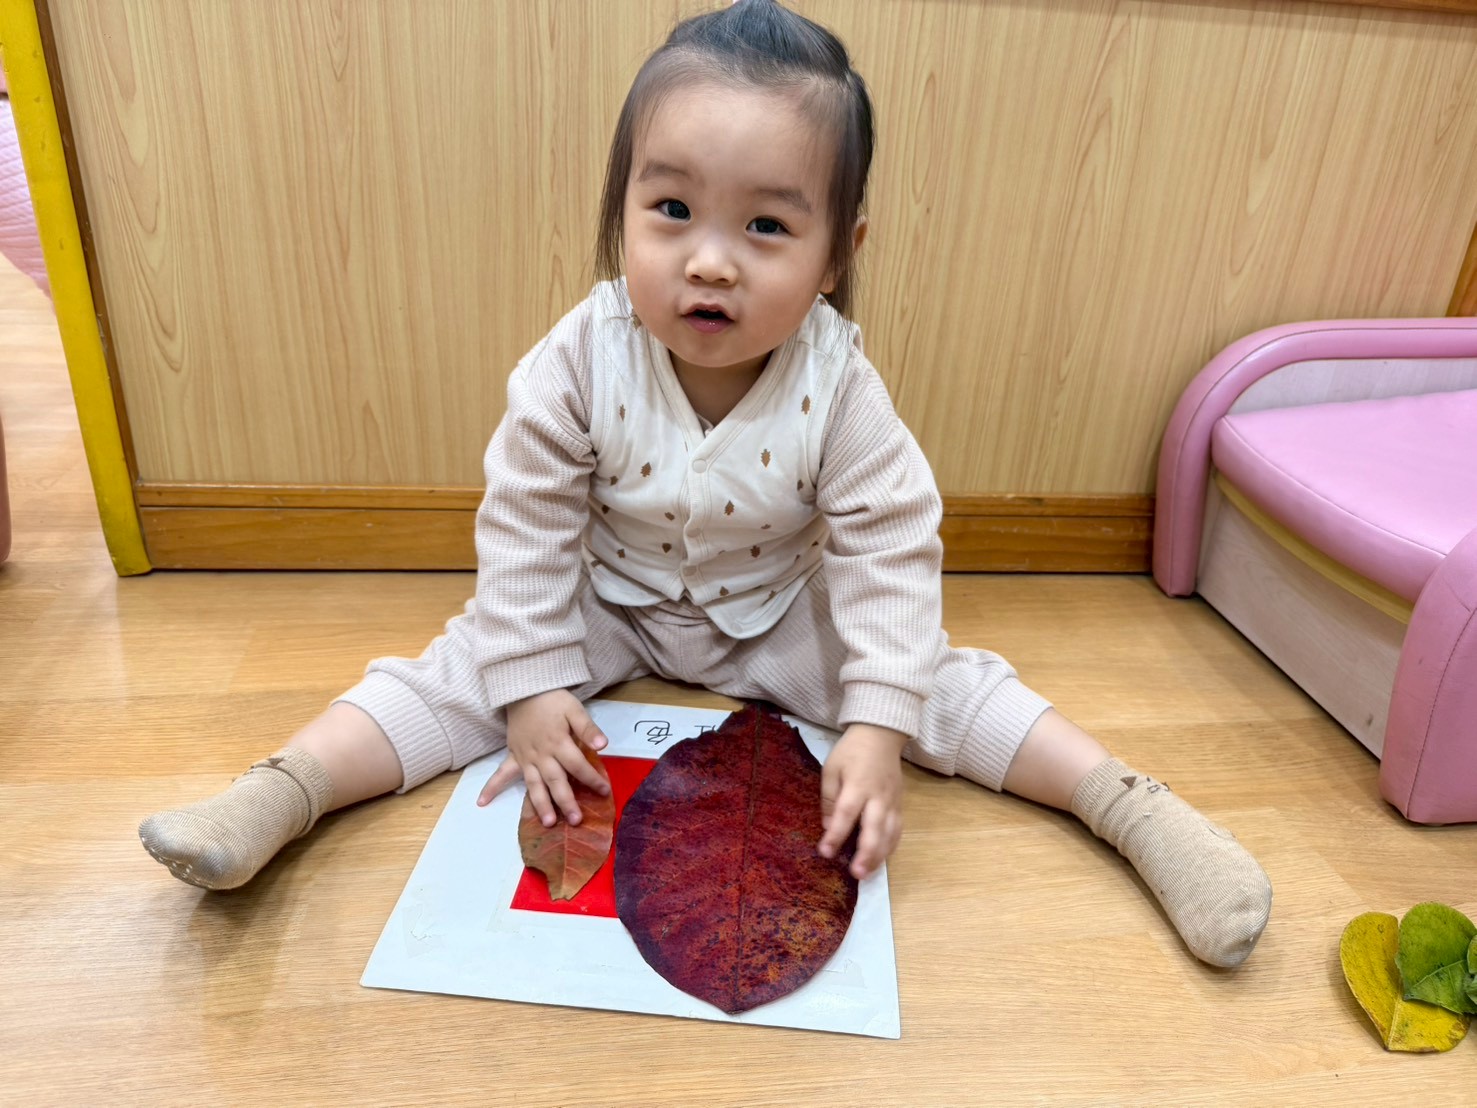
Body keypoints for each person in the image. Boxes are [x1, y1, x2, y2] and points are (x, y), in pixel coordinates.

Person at [140, 0, 1271, 968]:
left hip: (778, 616)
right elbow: (525, 521)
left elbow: (888, 551)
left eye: (766, 225)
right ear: (621, 213)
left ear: (836, 254)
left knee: (935, 682)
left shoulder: (839, 386)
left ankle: (1128, 807)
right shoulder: (580, 357)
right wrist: (529, 684)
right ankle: (282, 788)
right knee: (463, 669)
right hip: (605, 601)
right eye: (671, 210)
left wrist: (876, 725)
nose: (710, 259)